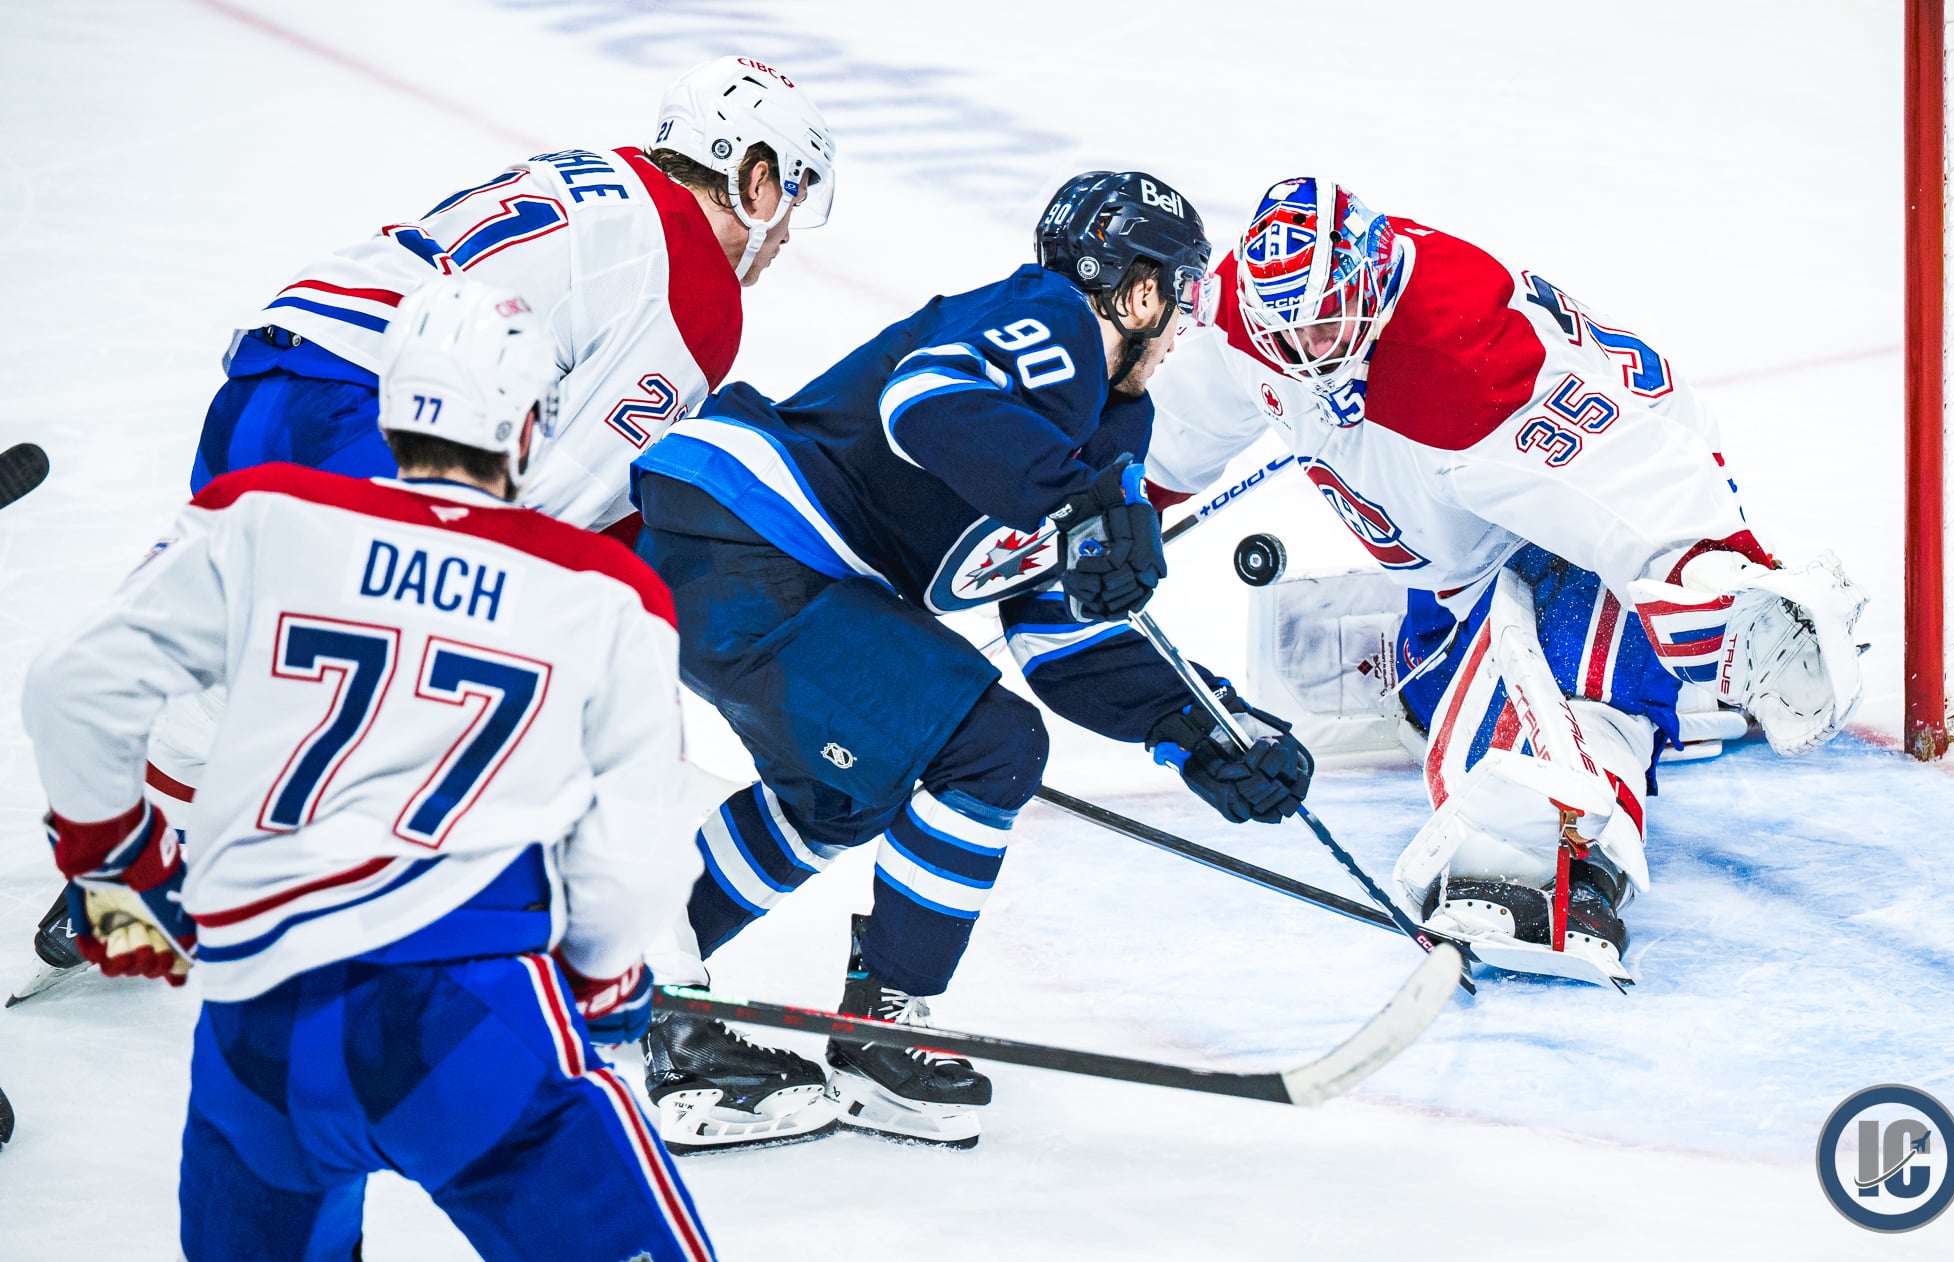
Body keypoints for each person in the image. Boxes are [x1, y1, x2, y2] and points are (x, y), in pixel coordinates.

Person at [23, 53, 836, 983]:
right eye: (793, 190)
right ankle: (552, 966)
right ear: (754, 176)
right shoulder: (695, 285)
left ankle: (123, 884)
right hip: (375, 418)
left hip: (276, 370)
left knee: (248, 650)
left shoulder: (599, 175)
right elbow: (556, 495)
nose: (787, 233)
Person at [20, 280, 715, 1261]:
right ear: (527, 425)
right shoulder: (604, 590)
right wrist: (607, 980)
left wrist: (118, 871)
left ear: (389, 407)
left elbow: (74, 685)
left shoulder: (260, 517)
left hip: (259, 1020)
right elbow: (629, 839)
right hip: (468, 1013)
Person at [626, 170, 1315, 1152]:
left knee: (837, 796)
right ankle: (881, 1029)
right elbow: (926, 398)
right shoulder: (1055, 319)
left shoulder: (1110, 427)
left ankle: (616, 976)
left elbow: (1059, 637)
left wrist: (1197, 724)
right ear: (1137, 292)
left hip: (745, 557)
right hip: (753, 537)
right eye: (1184, 293)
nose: (1184, 326)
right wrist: (1075, 500)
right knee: (987, 746)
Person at [1142, 176, 1865, 985]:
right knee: (1421, 697)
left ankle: (1567, 870)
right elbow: (1180, 427)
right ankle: (1656, 707)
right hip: (1462, 554)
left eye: (1324, 320)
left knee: (1568, 692)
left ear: (1370, 276)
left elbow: (1634, 481)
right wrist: (1110, 503)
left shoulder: (1469, 363)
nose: (1306, 351)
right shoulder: (1251, 312)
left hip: (1591, 524)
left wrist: (1724, 592)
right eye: (1285, 332)